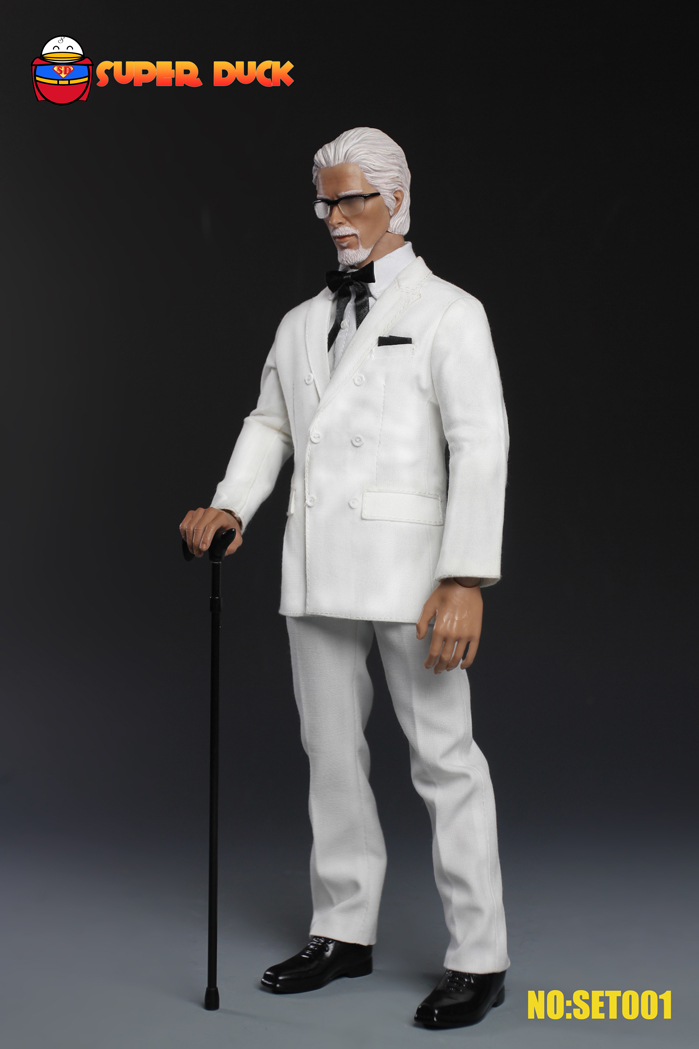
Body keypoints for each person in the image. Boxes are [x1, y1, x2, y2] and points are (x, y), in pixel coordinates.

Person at [180, 127, 510, 1029]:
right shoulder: (299, 322)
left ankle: (479, 954)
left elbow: (480, 443)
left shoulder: (450, 311)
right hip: (319, 562)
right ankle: (342, 927)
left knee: (444, 758)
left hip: (414, 577)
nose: (336, 217)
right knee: (329, 752)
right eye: (326, 201)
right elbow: (271, 423)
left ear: (397, 200)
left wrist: (465, 575)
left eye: (353, 198)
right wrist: (231, 505)